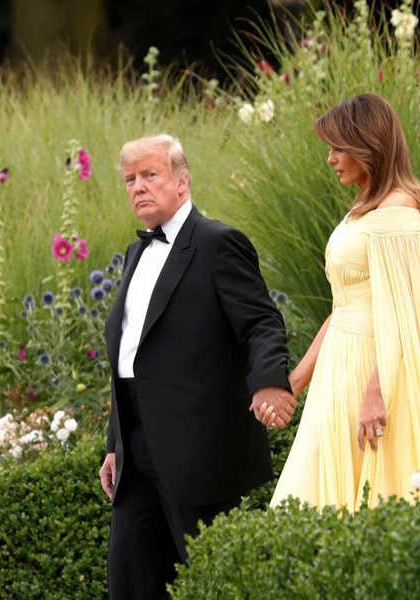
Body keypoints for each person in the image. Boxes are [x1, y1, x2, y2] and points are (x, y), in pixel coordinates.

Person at [99, 133, 295, 599]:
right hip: (136, 449)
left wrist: (269, 382)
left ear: (182, 182)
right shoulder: (135, 253)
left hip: (198, 449)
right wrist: (115, 442)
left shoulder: (218, 243)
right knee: (129, 581)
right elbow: (132, 356)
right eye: (130, 179)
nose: (138, 187)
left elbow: (263, 322)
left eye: (150, 175)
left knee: (214, 584)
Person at [270, 93, 420, 513]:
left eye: (338, 147)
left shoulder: (397, 211)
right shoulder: (363, 209)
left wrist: (376, 391)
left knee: (368, 492)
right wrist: (296, 381)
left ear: (369, 145)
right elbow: (343, 305)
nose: (330, 158)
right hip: (339, 365)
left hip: (373, 367)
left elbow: (406, 312)